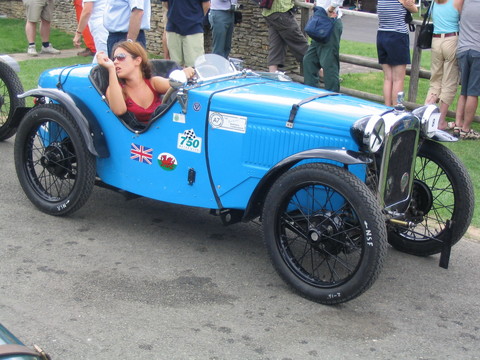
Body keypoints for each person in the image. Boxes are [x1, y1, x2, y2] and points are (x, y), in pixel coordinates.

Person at [96, 41, 195, 124]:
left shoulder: (153, 83)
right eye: (114, 59)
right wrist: (111, 69)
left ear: (137, 60)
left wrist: (186, 73)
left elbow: (173, 83)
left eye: (121, 57)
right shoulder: (116, 89)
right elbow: (119, 110)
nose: (115, 61)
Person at [424, 0, 463, 131]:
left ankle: (426, 116)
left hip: (436, 40)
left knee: (435, 80)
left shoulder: (435, 2)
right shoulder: (457, 2)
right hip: (452, 39)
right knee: (449, 82)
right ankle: (441, 120)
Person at [376, 0, 418, 106]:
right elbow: (414, 9)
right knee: (398, 79)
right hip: (397, 36)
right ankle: (396, 108)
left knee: (387, 78)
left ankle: (387, 107)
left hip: (381, 34)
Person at [303, 0, 343, 92]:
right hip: (320, 19)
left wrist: (330, 9)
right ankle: (310, 93)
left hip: (330, 21)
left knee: (329, 63)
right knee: (309, 60)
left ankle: (332, 97)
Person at [453, 0, 480, 140]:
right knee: (473, 92)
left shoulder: (464, 3)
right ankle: (466, 129)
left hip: (463, 50)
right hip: (477, 51)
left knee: (464, 91)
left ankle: (458, 124)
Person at [262, 0, 308, 73]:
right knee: (300, 43)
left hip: (269, 13)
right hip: (281, 11)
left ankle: (272, 75)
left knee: (276, 45)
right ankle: (323, 74)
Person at [161, 0, 211, 67]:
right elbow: (165, 3)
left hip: (193, 29)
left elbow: (206, 4)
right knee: (175, 66)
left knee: (195, 66)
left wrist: (196, 18)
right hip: (173, 28)